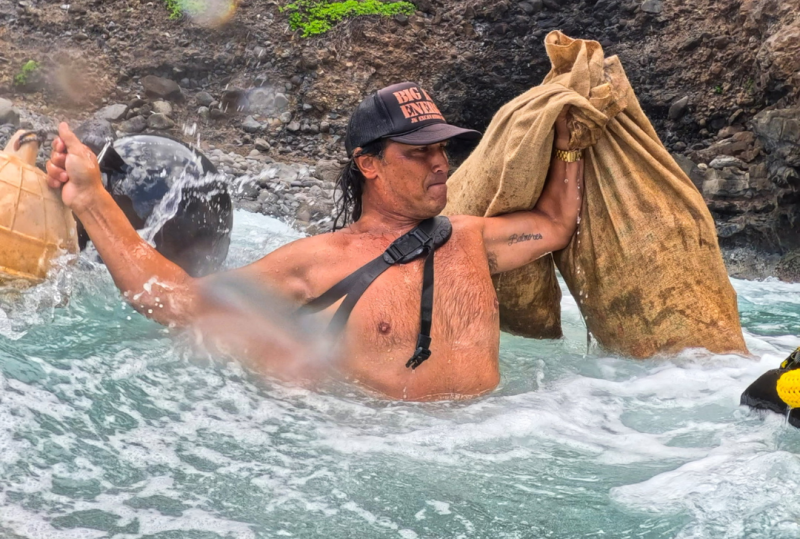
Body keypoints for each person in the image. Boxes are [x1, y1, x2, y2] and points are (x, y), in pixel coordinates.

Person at [46, 82, 585, 401]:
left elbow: (556, 224)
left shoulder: (473, 238)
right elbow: (177, 301)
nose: (440, 162)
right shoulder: (317, 263)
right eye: (418, 152)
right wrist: (91, 199)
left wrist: (568, 142)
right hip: (390, 459)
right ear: (369, 164)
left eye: (442, 149)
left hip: (501, 438)